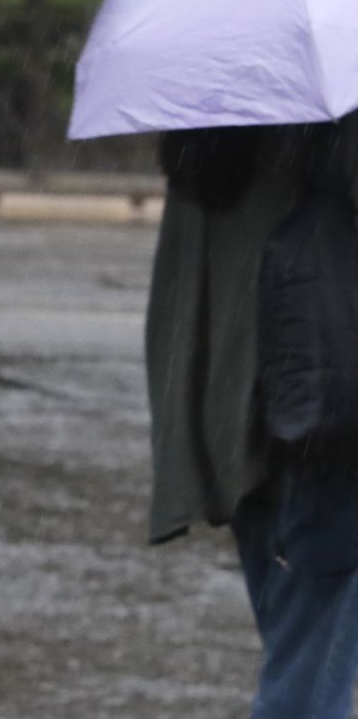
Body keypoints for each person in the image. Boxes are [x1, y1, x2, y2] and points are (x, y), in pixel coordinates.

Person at [147, 114, 358, 718]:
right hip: (324, 423)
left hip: (238, 426)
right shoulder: (334, 108)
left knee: (298, 660)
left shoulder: (208, 111)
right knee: (304, 688)